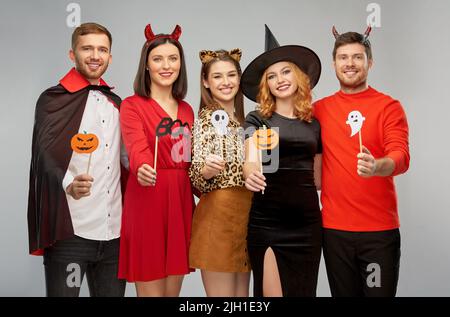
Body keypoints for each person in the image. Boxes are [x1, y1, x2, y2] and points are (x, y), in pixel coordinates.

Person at [27, 22, 127, 297]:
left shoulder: (117, 103)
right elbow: (43, 154)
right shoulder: (53, 99)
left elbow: (126, 159)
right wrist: (69, 182)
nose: (95, 55)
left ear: (110, 56)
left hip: (115, 235)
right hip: (71, 231)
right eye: (87, 48)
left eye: (102, 49)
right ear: (73, 54)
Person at [313, 26, 410, 297]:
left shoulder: (388, 107)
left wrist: (377, 166)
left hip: (378, 233)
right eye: (343, 57)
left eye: (357, 57)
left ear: (370, 62)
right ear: (334, 63)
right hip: (334, 231)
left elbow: (400, 157)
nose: (350, 64)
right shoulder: (319, 110)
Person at [241, 25, 323, 297]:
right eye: (272, 76)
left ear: (299, 76)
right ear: (266, 86)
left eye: (286, 71)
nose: (280, 79)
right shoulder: (257, 120)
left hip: (308, 225)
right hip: (268, 223)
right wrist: (250, 170)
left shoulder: (314, 124)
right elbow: (250, 157)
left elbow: (319, 179)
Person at [118, 24, 195, 297]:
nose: (166, 65)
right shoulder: (132, 105)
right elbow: (136, 147)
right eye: (158, 58)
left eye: (173, 59)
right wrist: (141, 168)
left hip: (181, 200)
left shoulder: (186, 109)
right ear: (146, 65)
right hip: (147, 198)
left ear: (180, 64)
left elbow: (189, 158)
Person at [189, 49, 253, 297]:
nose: (225, 82)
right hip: (219, 215)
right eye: (217, 76)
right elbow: (195, 175)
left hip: (246, 215)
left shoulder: (246, 122)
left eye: (231, 75)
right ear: (206, 81)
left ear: (239, 78)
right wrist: (206, 170)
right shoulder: (206, 120)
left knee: (241, 299)